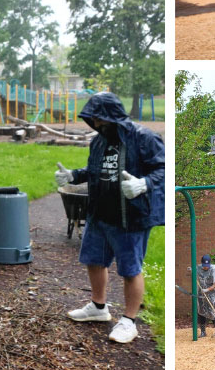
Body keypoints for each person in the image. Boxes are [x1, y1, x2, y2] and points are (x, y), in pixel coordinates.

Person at [56, 92, 165, 344]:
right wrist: (74, 175)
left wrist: (144, 184)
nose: (95, 124)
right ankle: (98, 306)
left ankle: (129, 321)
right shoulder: (99, 141)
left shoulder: (143, 137)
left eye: (98, 118)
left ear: (110, 116)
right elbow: (96, 170)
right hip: (99, 213)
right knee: (94, 260)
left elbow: (162, 168)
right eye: (92, 119)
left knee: (130, 269)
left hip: (130, 217)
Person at [197, 254, 215, 338]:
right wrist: (192, 270)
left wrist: (207, 289)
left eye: (207, 266)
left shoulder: (213, 270)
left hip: (212, 294)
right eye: (204, 266)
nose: (206, 267)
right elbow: (195, 270)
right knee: (201, 312)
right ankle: (203, 332)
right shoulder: (199, 268)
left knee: (214, 311)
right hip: (202, 294)